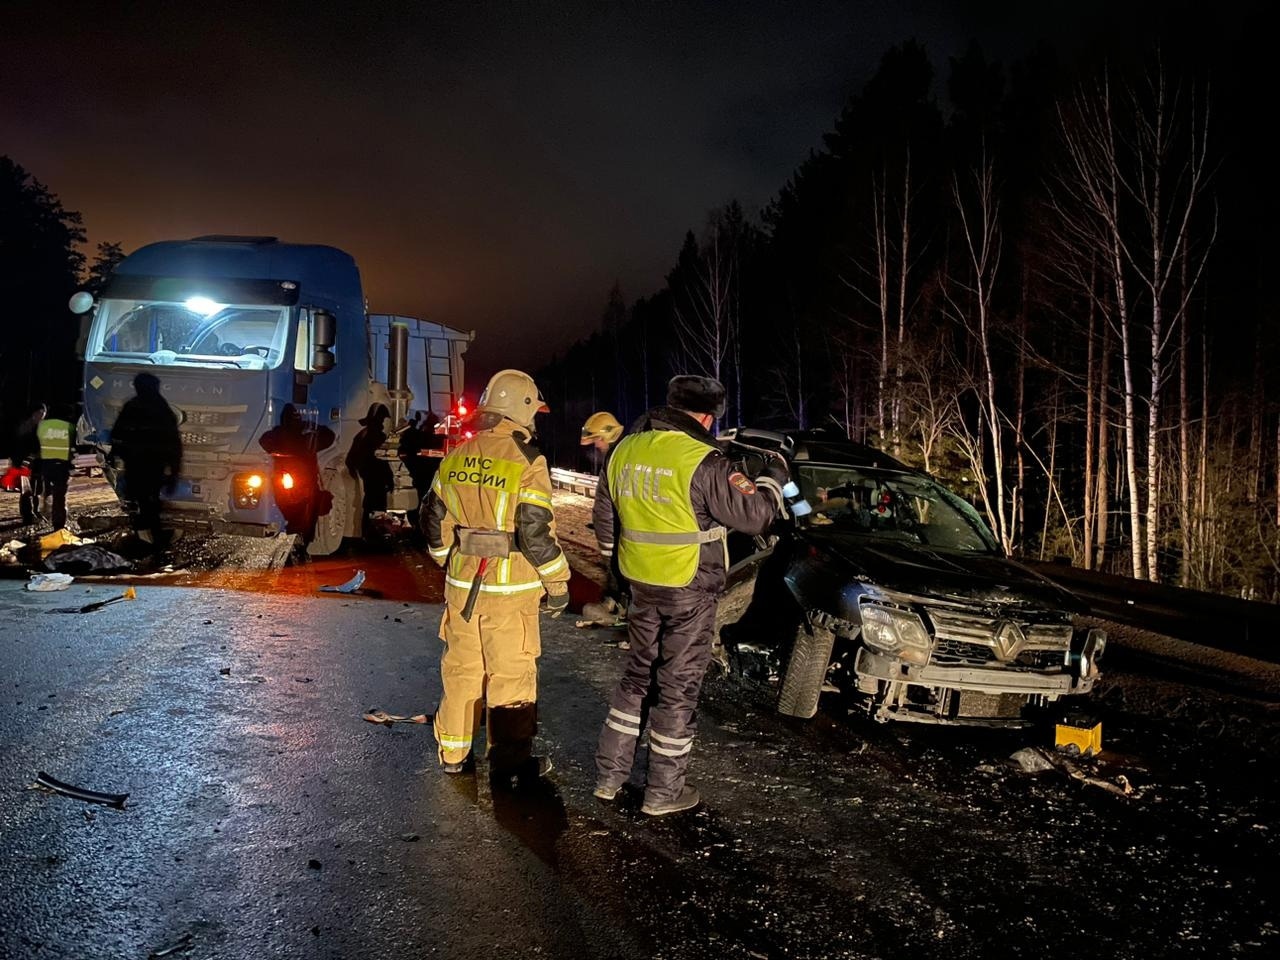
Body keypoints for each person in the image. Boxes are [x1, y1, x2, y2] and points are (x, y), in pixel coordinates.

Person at [591, 375, 788, 816]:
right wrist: (774, 478)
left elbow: (605, 517)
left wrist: (615, 574)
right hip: (689, 587)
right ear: (705, 416)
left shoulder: (626, 449)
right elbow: (756, 517)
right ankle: (663, 791)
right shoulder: (705, 461)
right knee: (676, 686)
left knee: (637, 676)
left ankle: (609, 777)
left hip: (640, 583)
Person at [421, 368, 571, 788]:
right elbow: (536, 530)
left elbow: (432, 519)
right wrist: (558, 584)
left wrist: (447, 560)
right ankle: (509, 764)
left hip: (462, 587)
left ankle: (453, 753)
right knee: (511, 675)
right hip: (511, 593)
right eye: (534, 411)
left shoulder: (457, 455)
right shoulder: (527, 459)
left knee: (462, 670)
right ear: (521, 409)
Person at [110, 373, 181, 546]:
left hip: (138, 465)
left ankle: (148, 540)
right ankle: (152, 540)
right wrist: (174, 471)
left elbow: (117, 434)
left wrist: (116, 453)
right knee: (148, 503)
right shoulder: (162, 408)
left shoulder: (132, 406)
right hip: (152, 466)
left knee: (142, 503)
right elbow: (174, 443)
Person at [258, 404, 335, 547]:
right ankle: (296, 539)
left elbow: (328, 436)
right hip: (287, 476)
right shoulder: (279, 433)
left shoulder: (307, 431)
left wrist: (313, 434)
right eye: (291, 418)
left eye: (295, 417)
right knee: (287, 504)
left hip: (306, 478)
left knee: (310, 507)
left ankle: (302, 542)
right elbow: (264, 441)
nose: (293, 420)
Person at [580, 410, 630, 626]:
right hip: (614, 536)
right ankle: (617, 606)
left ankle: (623, 614)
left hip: (617, 538)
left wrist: (608, 542)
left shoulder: (618, 460)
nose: (597, 445)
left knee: (621, 576)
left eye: (598, 439)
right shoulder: (617, 457)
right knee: (616, 577)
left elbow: (610, 506)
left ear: (609, 435)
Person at [345, 402, 394, 539]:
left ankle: (368, 533)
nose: (383, 422)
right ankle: (374, 535)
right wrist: (389, 479)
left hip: (369, 476)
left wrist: (358, 472)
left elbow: (351, 459)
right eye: (382, 418)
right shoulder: (376, 436)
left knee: (369, 505)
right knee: (377, 505)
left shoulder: (362, 434)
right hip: (376, 477)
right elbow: (383, 461)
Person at [35, 404, 77, 531]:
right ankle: (59, 524)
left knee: (47, 489)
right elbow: (76, 445)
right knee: (60, 496)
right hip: (62, 466)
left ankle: (45, 508)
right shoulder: (69, 427)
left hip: (46, 465)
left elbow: (37, 444)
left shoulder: (42, 426)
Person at [13, 402, 46, 525]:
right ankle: (27, 515)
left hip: (38, 463)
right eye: (40, 413)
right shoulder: (26, 428)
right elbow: (20, 446)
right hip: (25, 463)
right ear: (34, 414)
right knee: (26, 490)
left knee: (37, 489)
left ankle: (36, 511)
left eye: (44, 413)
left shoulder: (42, 427)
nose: (42, 416)